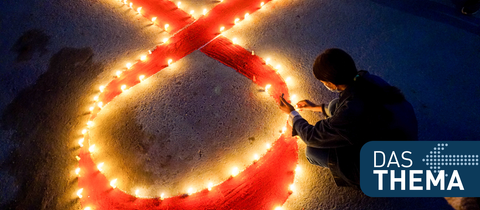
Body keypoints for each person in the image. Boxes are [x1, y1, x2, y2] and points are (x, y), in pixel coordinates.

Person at [278, 48, 418, 187]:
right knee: (334, 105)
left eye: (323, 82)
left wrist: (293, 114)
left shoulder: (351, 112)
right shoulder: (367, 79)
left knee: (312, 151)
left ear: (330, 83)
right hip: (402, 135)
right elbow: (348, 108)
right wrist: (316, 107)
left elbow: (312, 137)